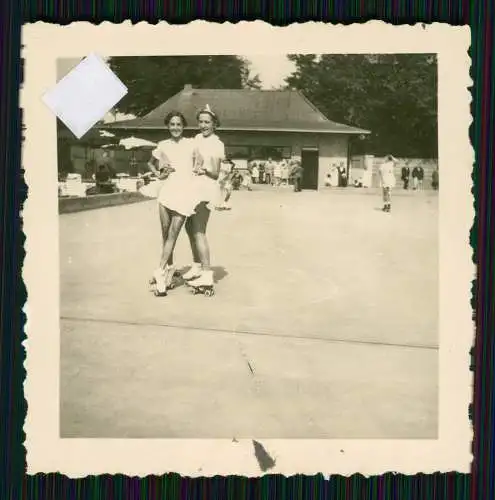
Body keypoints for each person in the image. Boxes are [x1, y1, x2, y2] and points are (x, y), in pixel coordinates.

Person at [147, 111, 201, 296]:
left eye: (178, 124)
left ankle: (159, 271)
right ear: (168, 126)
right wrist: (158, 173)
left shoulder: (191, 144)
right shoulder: (162, 145)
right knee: (165, 233)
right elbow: (150, 163)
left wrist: (196, 170)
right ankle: (168, 269)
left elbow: (199, 163)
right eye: (172, 124)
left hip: (184, 194)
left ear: (183, 126)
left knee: (173, 234)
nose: (175, 128)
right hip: (166, 190)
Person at [181, 104, 225, 293]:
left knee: (199, 230)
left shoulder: (217, 143)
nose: (203, 125)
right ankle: (197, 265)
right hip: (193, 187)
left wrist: (203, 168)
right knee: (189, 227)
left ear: (214, 124)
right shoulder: (197, 138)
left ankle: (207, 274)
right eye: (201, 121)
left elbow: (215, 173)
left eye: (207, 122)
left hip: (205, 189)